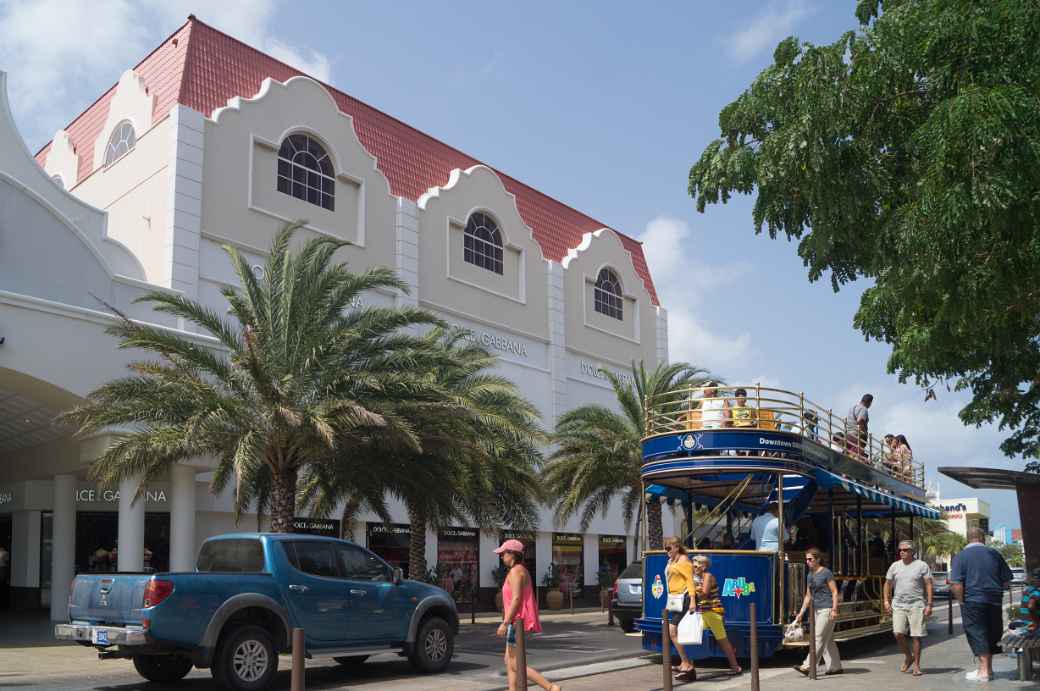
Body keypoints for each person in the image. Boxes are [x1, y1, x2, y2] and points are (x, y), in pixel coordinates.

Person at [494, 539, 560, 691]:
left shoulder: (516, 571)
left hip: (516, 621)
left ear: (512, 554)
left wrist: (505, 622)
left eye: (504, 553)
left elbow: (516, 598)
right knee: (509, 660)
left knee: (515, 663)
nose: (501, 556)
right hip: (517, 620)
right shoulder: (521, 570)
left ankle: (550, 687)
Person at [950, 526, 1013, 682]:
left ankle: (983, 672)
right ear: (982, 538)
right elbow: (1006, 582)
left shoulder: (961, 556)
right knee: (991, 633)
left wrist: (961, 601)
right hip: (994, 600)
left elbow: (956, 583)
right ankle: (988, 669)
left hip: (972, 600)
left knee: (977, 633)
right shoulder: (995, 554)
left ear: (968, 538)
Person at [884, 540, 933, 677]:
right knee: (898, 633)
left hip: (917, 605)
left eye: (905, 550)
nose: (902, 552)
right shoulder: (895, 566)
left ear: (912, 551)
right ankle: (908, 656)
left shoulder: (921, 565)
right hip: (898, 604)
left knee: (916, 636)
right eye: (900, 549)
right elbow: (887, 584)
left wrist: (929, 604)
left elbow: (928, 584)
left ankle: (917, 665)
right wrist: (886, 602)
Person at [793, 547, 843, 676]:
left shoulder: (826, 572)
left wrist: (834, 609)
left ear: (818, 559)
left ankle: (808, 666)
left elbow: (834, 592)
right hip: (816, 610)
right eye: (807, 559)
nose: (808, 562)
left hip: (827, 609)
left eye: (810, 559)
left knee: (818, 637)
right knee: (828, 640)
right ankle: (835, 667)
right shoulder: (809, 575)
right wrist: (801, 613)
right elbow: (808, 596)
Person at [691, 555, 742, 675]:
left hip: (713, 612)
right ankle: (688, 665)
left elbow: (704, 594)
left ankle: (735, 667)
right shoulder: (699, 578)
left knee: (722, 640)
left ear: (703, 566)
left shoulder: (708, 576)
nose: (694, 568)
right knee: (692, 637)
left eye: (696, 566)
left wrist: (692, 589)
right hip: (704, 613)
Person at [664, 537, 697, 681]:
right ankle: (685, 663)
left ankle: (687, 664)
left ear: (677, 547)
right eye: (665, 548)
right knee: (675, 631)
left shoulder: (684, 561)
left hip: (684, 598)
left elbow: (690, 581)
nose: (667, 551)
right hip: (675, 599)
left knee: (672, 630)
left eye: (668, 548)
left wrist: (693, 601)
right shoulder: (672, 561)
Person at [846, 393, 873, 459]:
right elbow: (860, 420)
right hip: (857, 436)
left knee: (848, 452)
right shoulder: (864, 409)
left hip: (848, 434)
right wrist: (863, 432)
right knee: (856, 454)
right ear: (869, 402)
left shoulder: (853, 407)